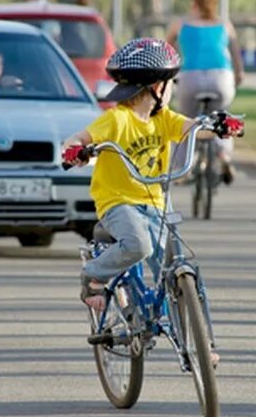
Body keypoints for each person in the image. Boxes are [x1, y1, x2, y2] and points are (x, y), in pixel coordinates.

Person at [61, 38, 244, 312]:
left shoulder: (164, 118)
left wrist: (220, 127)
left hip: (157, 202)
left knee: (173, 268)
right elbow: (77, 138)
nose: (173, 89)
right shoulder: (117, 119)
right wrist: (75, 150)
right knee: (139, 245)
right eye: (173, 83)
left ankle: (197, 340)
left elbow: (193, 128)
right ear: (158, 87)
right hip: (119, 201)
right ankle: (95, 273)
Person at [166, 0, 245, 184]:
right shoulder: (225, 25)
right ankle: (225, 156)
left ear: (194, 3)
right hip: (221, 78)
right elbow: (236, 55)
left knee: (184, 121)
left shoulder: (180, 24)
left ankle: (183, 168)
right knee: (222, 116)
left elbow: (167, 51)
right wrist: (239, 75)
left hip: (190, 77)